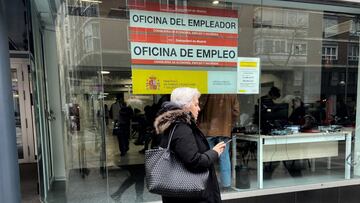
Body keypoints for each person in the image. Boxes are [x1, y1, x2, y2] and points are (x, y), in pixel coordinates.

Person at [154, 87, 226, 203]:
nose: (199, 108)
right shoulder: (182, 128)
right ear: (186, 106)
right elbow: (194, 161)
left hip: (178, 195)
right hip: (191, 196)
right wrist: (214, 152)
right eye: (196, 104)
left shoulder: (171, 125)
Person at [198, 94, 240, 190]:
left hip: (208, 129)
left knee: (208, 157)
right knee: (224, 157)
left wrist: (199, 123)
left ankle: (208, 184)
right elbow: (236, 112)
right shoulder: (231, 92)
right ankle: (226, 185)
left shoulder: (209, 90)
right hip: (225, 130)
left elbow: (200, 107)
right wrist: (230, 125)